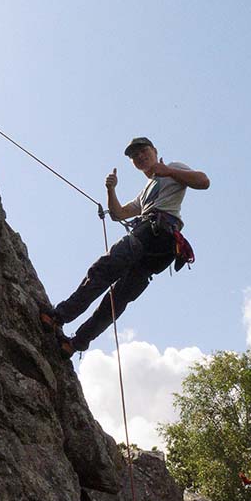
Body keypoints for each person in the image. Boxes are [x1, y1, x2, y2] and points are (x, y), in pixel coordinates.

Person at [41, 137, 210, 358]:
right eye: (134, 156)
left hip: (154, 233)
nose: (140, 157)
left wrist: (168, 171)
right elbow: (119, 214)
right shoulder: (145, 192)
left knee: (104, 270)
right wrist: (111, 190)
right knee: (119, 297)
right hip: (159, 247)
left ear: (155, 151)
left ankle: (59, 317)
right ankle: (75, 344)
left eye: (143, 151)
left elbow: (203, 181)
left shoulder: (174, 168)